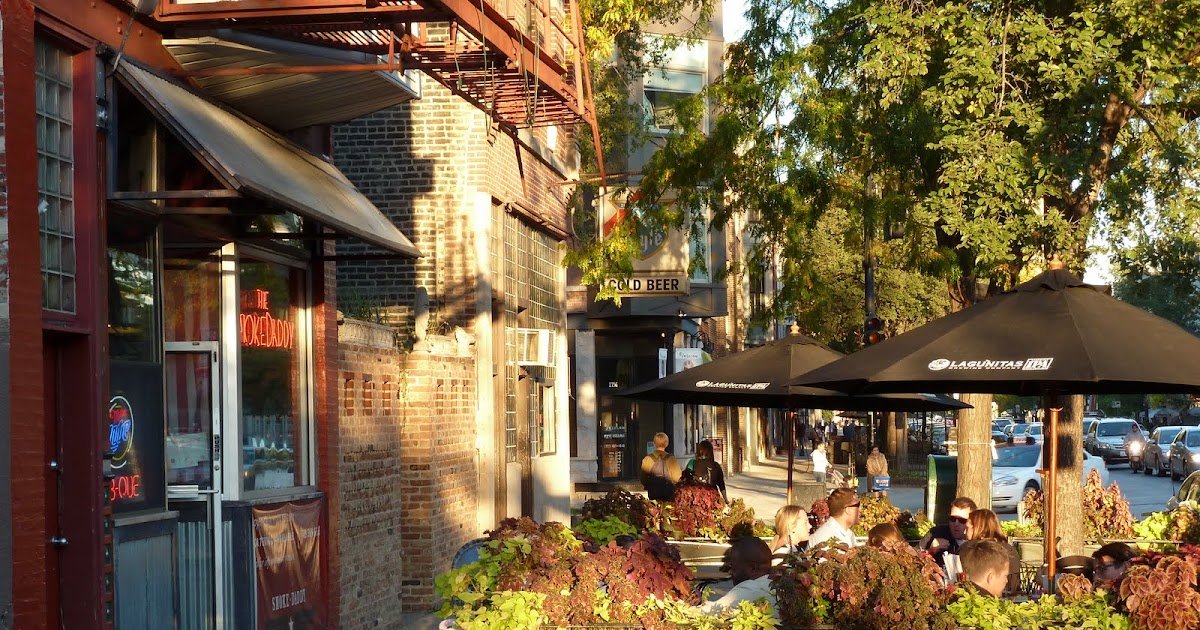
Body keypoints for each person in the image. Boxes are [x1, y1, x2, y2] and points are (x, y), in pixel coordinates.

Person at [700, 537, 778, 616]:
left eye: (734, 567)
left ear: (752, 568)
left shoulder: (750, 588)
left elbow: (707, 612)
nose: (730, 572)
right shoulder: (776, 584)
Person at [966, 508, 1021, 596]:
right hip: (1013, 596)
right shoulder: (1009, 548)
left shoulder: (972, 550)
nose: (965, 532)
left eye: (968, 528)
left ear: (978, 528)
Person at [919, 496, 977, 569]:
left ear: (972, 522)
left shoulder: (978, 541)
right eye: (952, 519)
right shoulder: (936, 533)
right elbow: (914, 559)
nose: (956, 524)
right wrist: (931, 550)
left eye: (962, 520)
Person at [640, 432, 682, 501]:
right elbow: (677, 478)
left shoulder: (647, 459)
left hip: (653, 492)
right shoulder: (671, 459)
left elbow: (643, 478)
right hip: (668, 493)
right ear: (667, 444)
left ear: (654, 443)